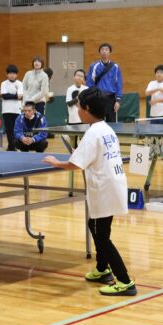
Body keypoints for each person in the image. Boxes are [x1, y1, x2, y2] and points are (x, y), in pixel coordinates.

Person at [42, 87, 136, 296]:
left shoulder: (92, 133)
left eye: (78, 107)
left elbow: (75, 164)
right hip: (114, 184)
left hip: (104, 188)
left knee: (101, 235)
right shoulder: (106, 129)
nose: (77, 111)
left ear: (87, 108)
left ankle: (125, 281)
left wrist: (56, 163)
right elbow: (92, 155)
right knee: (98, 228)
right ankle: (102, 269)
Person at [86, 43, 123, 122]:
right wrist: (92, 98)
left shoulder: (115, 67)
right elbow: (89, 83)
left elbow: (119, 84)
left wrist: (118, 100)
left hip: (111, 99)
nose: (104, 51)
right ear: (99, 52)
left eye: (106, 50)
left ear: (109, 52)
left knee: (112, 123)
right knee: (98, 122)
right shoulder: (93, 66)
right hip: (98, 98)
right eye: (102, 50)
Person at [146, 64, 163, 155]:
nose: (159, 74)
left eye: (161, 72)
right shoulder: (151, 83)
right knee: (153, 133)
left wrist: (156, 101)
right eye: (157, 72)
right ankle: (154, 151)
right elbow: (147, 93)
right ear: (155, 74)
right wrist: (158, 89)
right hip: (153, 113)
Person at [1, 65, 23, 151]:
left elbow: (20, 96)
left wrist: (11, 95)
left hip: (17, 110)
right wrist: (15, 96)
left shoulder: (20, 83)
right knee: (9, 129)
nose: (12, 75)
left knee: (15, 129)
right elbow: (4, 96)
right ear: (7, 74)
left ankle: (14, 145)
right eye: (10, 73)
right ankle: (11, 146)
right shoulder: (3, 83)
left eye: (14, 73)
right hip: (6, 110)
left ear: (16, 74)